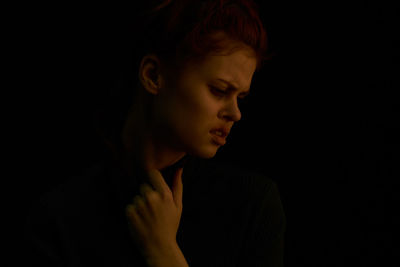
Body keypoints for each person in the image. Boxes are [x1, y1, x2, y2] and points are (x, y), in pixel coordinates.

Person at [24, 0, 286, 266]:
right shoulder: (60, 216)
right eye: (219, 90)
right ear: (153, 75)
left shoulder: (252, 206)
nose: (236, 113)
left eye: (240, 97)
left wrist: (163, 252)